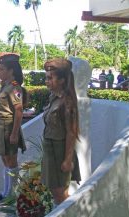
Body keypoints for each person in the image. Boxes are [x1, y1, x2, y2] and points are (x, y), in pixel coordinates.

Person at [41, 58, 81, 206]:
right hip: (50, 150)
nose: (47, 81)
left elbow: (71, 132)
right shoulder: (54, 98)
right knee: (55, 192)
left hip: (60, 151)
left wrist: (68, 159)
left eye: (50, 78)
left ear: (62, 80)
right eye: (46, 77)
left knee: (60, 194)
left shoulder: (67, 102)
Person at [0, 53, 27, 204]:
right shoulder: (5, 86)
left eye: (2, 69)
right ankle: (6, 193)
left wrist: (14, 133)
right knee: (5, 160)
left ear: (11, 71)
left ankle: (13, 195)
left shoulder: (14, 87)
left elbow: (19, 111)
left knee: (11, 161)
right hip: (0, 125)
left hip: (9, 126)